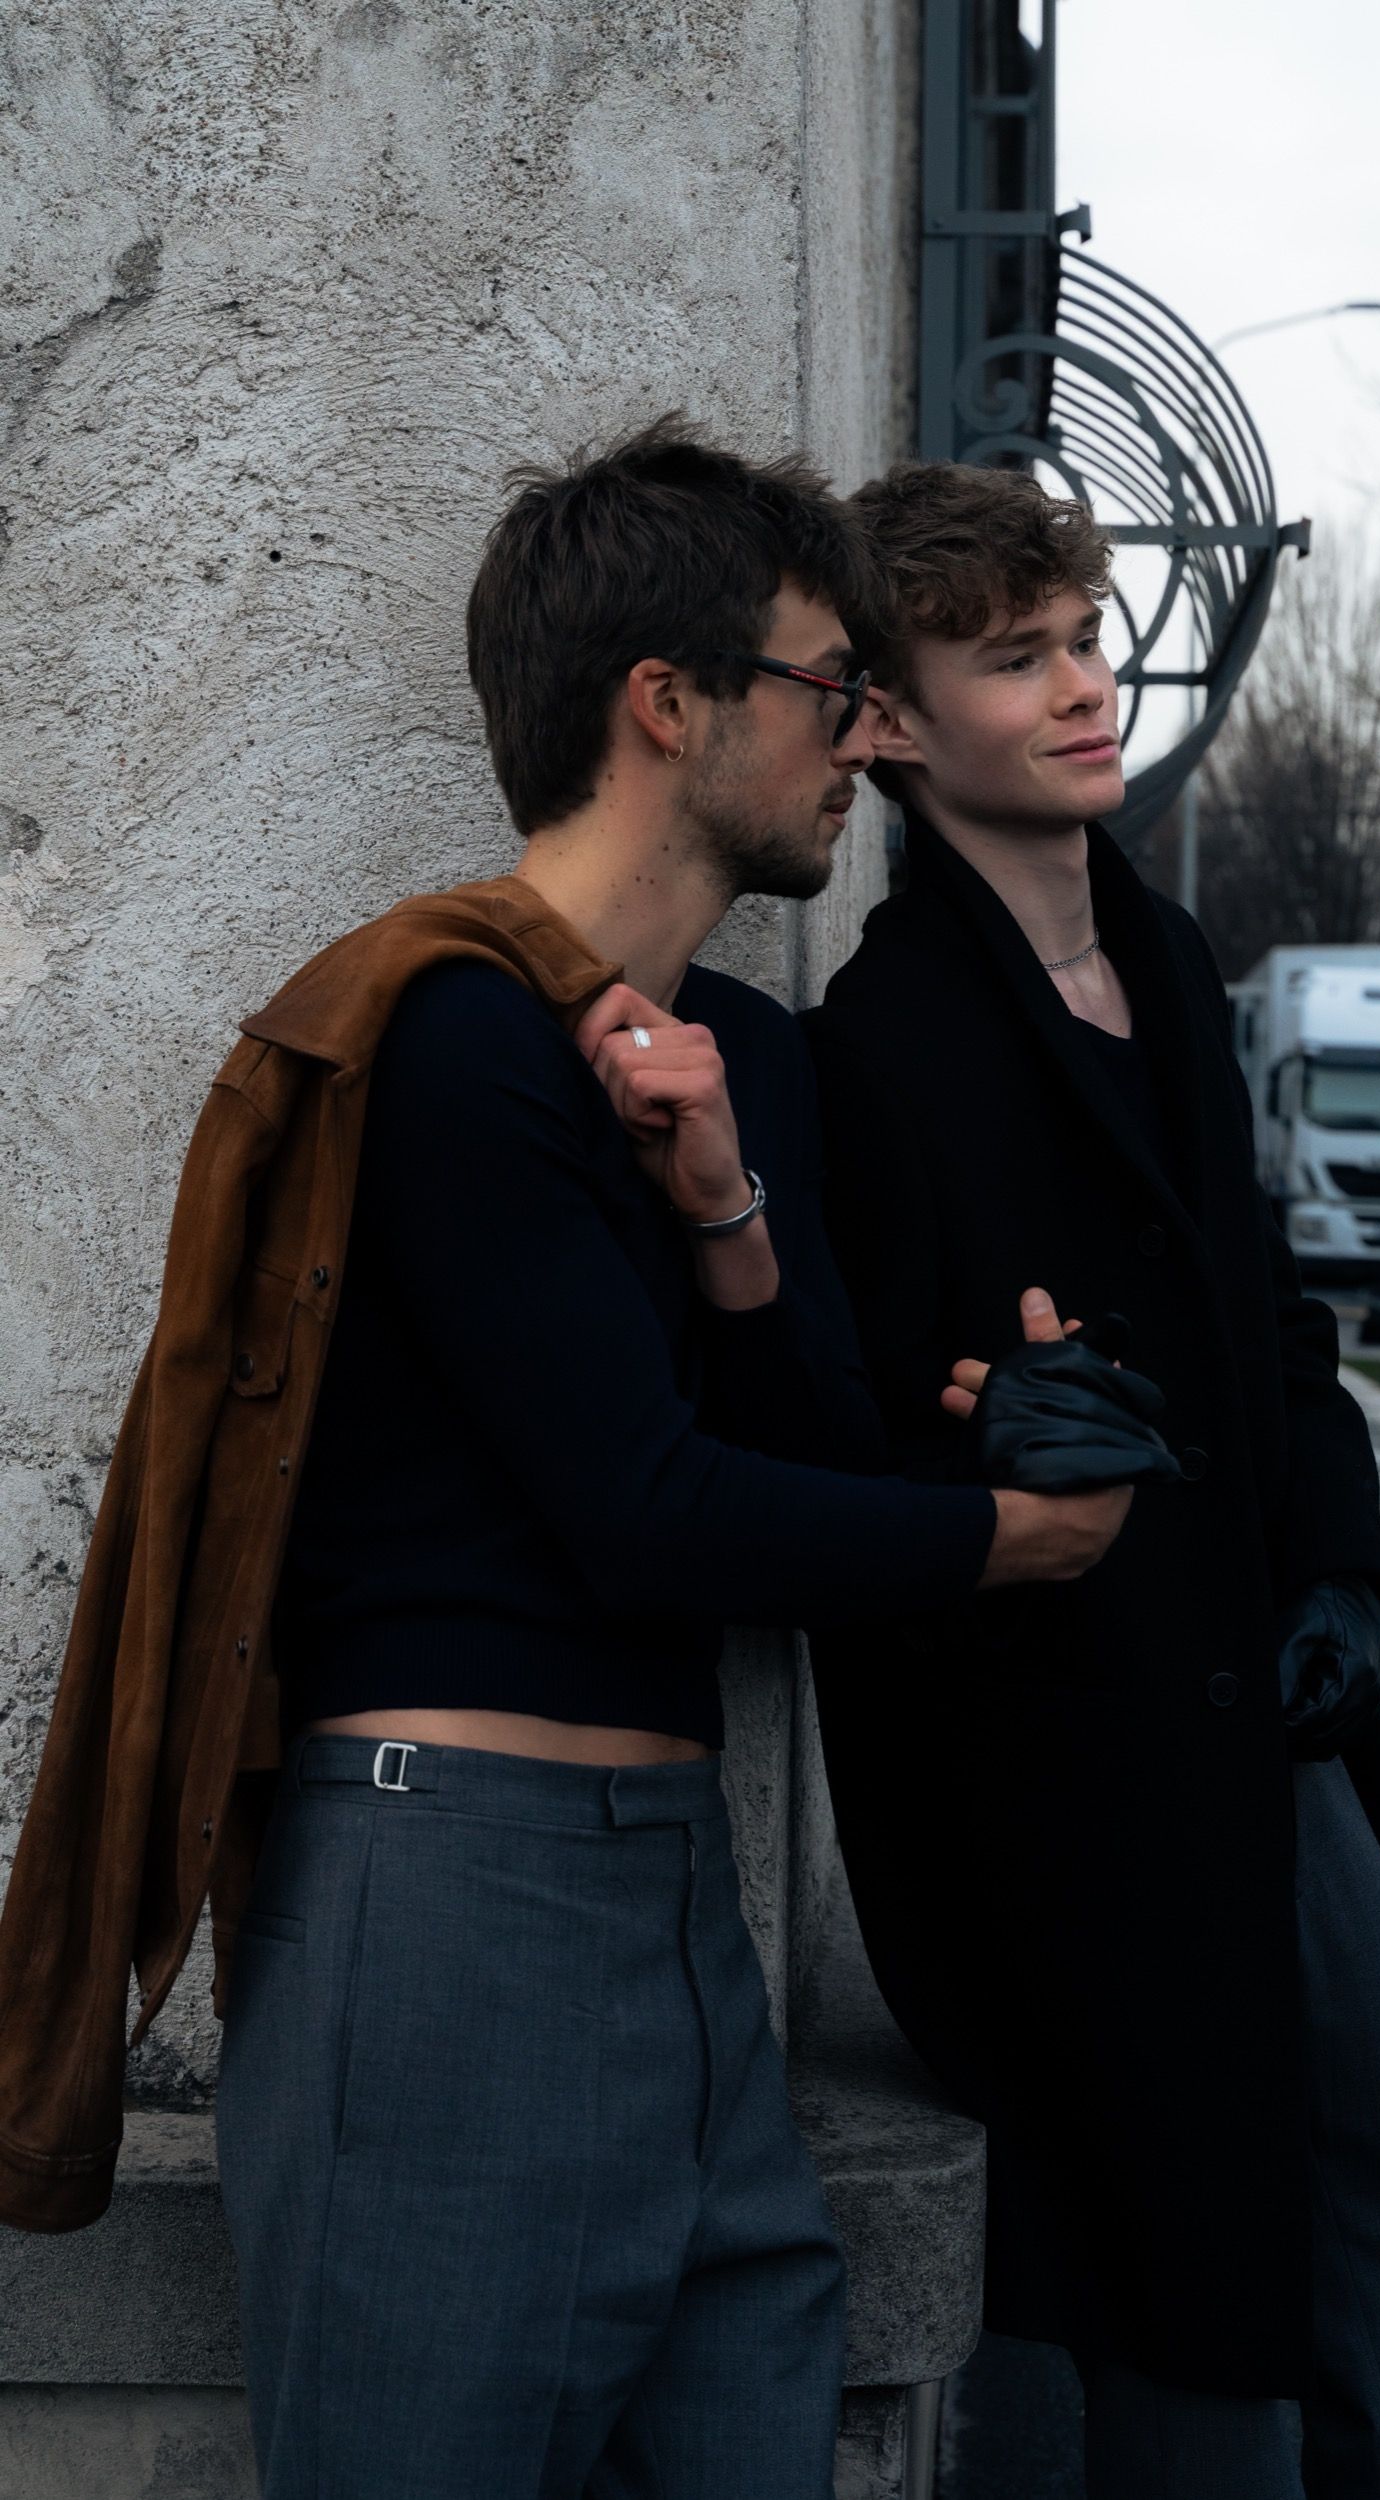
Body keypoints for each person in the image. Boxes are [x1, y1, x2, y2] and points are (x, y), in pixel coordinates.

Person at [0, 422, 1130, 2500]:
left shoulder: (746, 1058)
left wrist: (728, 1212)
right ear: (666, 702)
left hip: (673, 1895)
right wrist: (1005, 1538)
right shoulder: (449, 1035)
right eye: (828, 685)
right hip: (449, 1888)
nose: (864, 737)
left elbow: (800, 1454)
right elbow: (645, 1516)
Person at [803, 459, 1380, 2500]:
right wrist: (989, 1436)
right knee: (1184, 2315)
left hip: (1283, 1715)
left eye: (1083, 638)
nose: (1079, 686)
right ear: (887, 724)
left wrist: (1348, 1580)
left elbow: (1280, 1334)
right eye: (1011, 656)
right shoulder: (880, 1044)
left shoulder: (1171, 967)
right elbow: (851, 1445)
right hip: (1085, 1783)